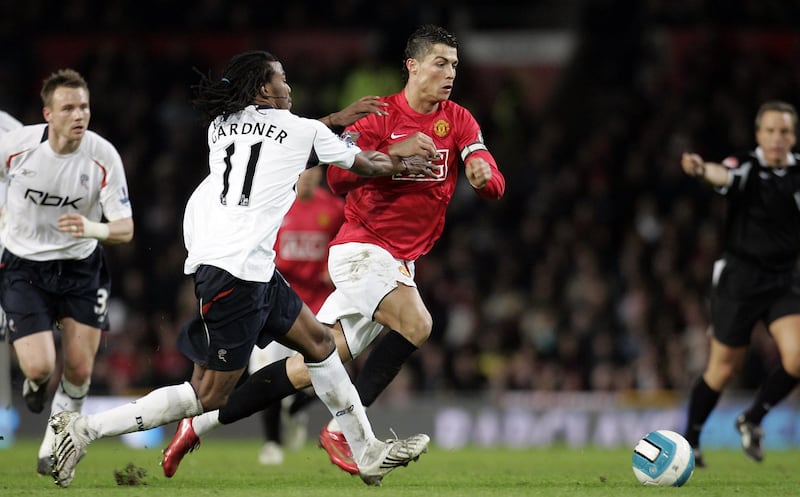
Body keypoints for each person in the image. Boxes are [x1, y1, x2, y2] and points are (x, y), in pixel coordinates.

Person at [48, 50, 437, 488]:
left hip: (242, 265)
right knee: (208, 394)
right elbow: (368, 164)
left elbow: (280, 140)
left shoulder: (221, 128)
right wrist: (401, 157)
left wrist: (335, 119)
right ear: (262, 88)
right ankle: (84, 429)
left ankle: (365, 451)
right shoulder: (302, 130)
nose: (289, 87)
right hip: (238, 275)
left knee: (320, 345)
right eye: (282, 79)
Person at [162, 24, 505, 476]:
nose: (449, 74)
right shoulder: (380, 117)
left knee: (308, 367)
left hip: (399, 262)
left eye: (455, 65)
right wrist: (394, 154)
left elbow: (487, 171)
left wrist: (483, 176)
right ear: (413, 66)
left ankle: (198, 425)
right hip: (361, 251)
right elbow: (338, 177)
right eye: (440, 63)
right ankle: (346, 432)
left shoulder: (458, 119)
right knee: (418, 323)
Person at [0, 70, 134, 476]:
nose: (79, 115)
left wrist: (91, 228)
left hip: (81, 266)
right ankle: (37, 386)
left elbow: (125, 228)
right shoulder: (16, 148)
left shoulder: (102, 156)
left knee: (78, 368)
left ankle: (55, 445)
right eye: (69, 108)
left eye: (84, 107)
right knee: (40, 367)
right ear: (48, 114)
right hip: (24, 264)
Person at [681, 100, 800, 467]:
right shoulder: (747, 165)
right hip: (740, 280)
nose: (776, 138)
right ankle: (691, 439)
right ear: (758, 135)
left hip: (783, 280)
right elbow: (723, 175)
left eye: (783, 131)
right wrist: (702, 170)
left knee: (798, 356)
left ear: (793, 136)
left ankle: (752, 418)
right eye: (770, 131)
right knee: (723, 368)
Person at [250, 165, 344, 465]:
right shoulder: (276, 203)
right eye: (305, 173)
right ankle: (272, 443)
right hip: (277, 300)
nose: (309, 179)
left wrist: (336, 267)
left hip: (316, 306)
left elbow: (346, 241)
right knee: (264, 373)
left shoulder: (333, 208)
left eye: (315, 175)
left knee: (326, 372)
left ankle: (296, 409)